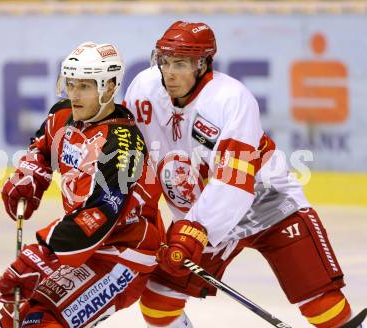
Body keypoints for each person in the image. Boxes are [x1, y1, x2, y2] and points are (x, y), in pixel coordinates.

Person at [123, 21, 356, 328]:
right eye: (164, 61)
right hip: (205, 215)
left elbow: (233, 180)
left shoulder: (230, 99)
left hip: (269, 206)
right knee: (159, 303)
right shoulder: (143, 89)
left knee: (324, 307)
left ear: (203, 64)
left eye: (180, 63)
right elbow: (134, 157)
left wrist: (193, 228)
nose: (169, 72)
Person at [0, 41, 164, 328]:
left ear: (110, 87)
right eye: (70, 84)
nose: (74, 95)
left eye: (85, 86)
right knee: (14, 319)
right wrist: (30, 175)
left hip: (122, 255)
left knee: (41, 321)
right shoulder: (63, 115)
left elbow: (99, 214)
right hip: (78, 248)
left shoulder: (123, 146)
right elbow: (42, 146)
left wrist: (42, 254)